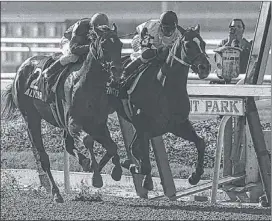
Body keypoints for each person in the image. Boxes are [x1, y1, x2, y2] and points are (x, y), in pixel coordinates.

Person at [43, 13, 110, 102]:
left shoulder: (105, 29)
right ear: (93, 26)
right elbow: (74, 48)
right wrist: (91, 47)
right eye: (98, 29)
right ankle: (49, 72)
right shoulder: (81, 26)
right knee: (73, 57)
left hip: (85, 43)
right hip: (69, 41)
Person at [121, 10, 186, 79]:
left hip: (159, 45)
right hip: (140, 40)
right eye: (166, 29)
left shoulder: (179, 34)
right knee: (145, 56)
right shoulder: (150, 28)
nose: (169, 32)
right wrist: (158, 51)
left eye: (172, 29)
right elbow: (145, 52)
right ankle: (125, 72)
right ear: (160, 25)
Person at [212, 18, 252, 83]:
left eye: (239, 27)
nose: (236, 29)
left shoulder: (247, 45)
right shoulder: (223, 43)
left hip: (241, 78)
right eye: (233, 27)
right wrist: (229, 42)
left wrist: (238, 44)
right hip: (224, 78)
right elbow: (216, 58)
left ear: (243, 30)